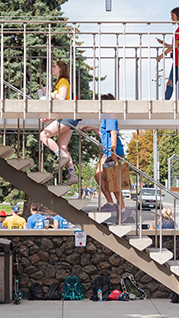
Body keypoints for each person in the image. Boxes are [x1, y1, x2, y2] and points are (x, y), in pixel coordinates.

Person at [84, 94, 131, 224]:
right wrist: (93, 129)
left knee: (113, 181)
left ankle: (123, 208)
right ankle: (110, 202)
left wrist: (113, 151)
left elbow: (113, 133)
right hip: (108, 152)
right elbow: (104, 133)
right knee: (98, 176)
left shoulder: (110, 115)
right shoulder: (106, 117)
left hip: (113, 152)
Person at [39, 61, 79, 185]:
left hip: (67, 117)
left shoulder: (63, 81)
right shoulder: (62, 82)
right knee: (62, 147)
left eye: (54, 66)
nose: (52, 68)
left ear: (61, 69)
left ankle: (60, 156)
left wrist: (48, 94)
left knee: (43, 135)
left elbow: (62, 97)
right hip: (71, 117)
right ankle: (72, 174)